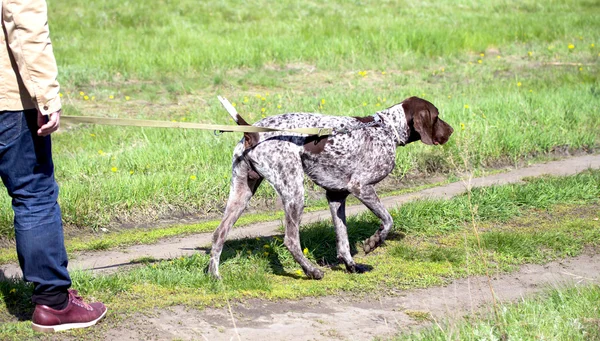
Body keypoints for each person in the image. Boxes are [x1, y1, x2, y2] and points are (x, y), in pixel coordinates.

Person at [1, 0, 107, 332]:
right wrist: (46, 96)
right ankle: (54, 304)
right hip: (7, 101)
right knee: (33, 193)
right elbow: (24, 22)